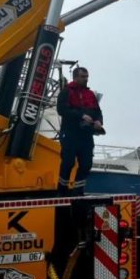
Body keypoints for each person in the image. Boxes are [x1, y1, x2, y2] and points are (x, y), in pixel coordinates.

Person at [56, 67, 103, 195]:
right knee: (68, 162)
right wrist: (81, 115)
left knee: (86, 164)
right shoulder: (66, 92)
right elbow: (61, 110)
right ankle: (62, 190)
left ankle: (78, 190)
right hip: (70, 134)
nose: (86, 79)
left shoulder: (90, 94)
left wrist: (99, 121)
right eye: (83, 76)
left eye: (87, 76)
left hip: (86, 135)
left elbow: (98, 112)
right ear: (75, 77)